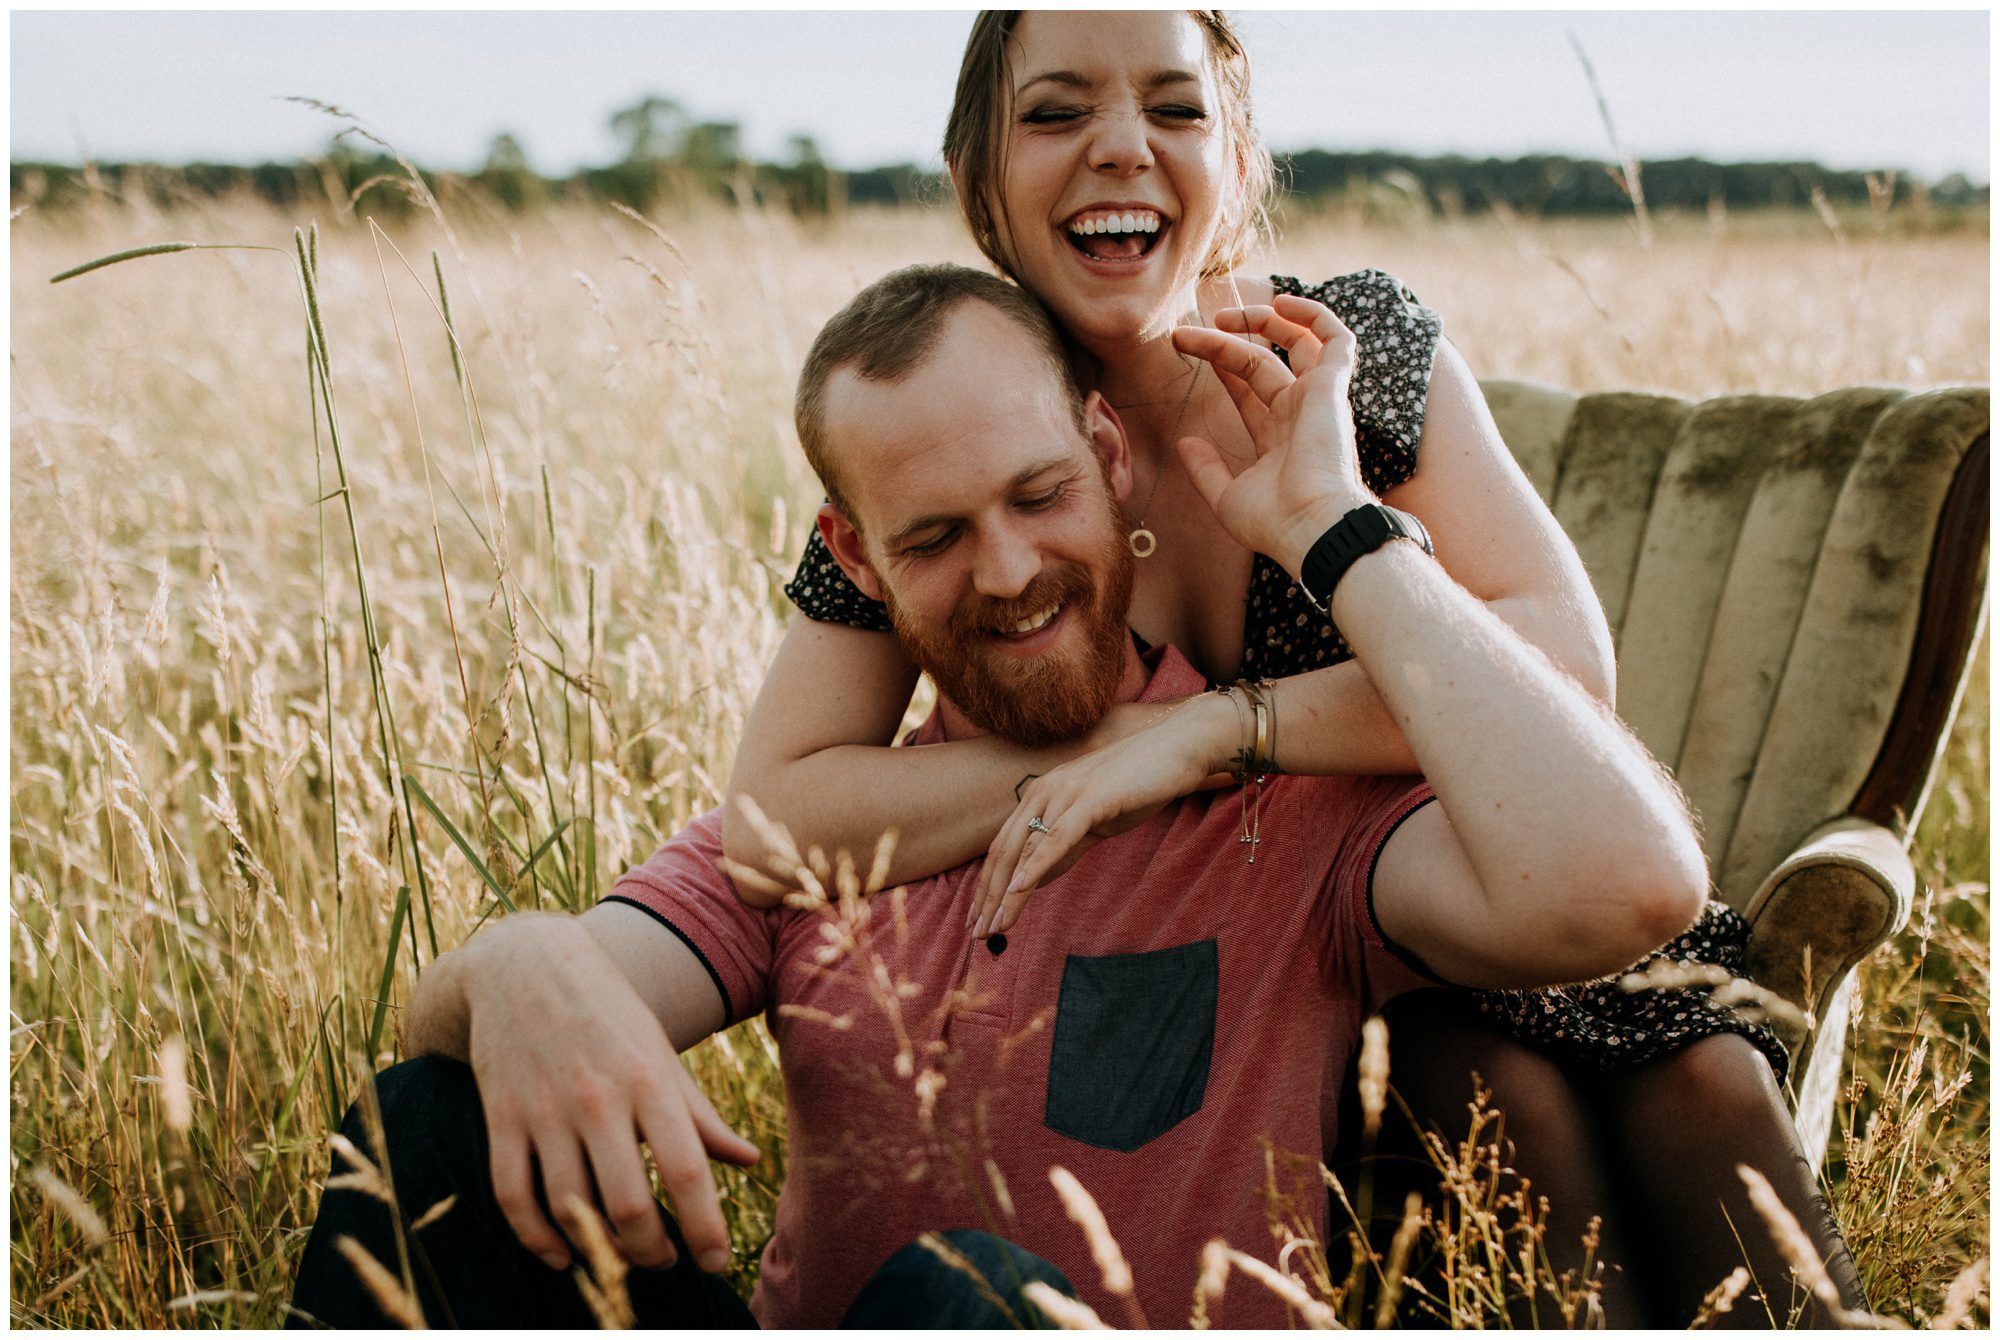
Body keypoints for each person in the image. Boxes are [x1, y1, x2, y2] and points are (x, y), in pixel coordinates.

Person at [290, 263, 1711, 1329]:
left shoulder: (1281, 805)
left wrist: (1335, 536)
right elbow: (499, 1014)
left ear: (1109, 459)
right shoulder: (833, 828)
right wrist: (520, 957)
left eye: (1039, 495)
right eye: (937, 535)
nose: (1011, 568)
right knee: (425, 1125)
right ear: (856, 555)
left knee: (962, 1299)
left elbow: (1630, 887)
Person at [721, 10, 1865, 1326]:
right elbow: (778, 809)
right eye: (1054, 113)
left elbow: (1560, 658)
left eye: (1174, 108)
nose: (1119, 150)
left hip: (1463, 879)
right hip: (1232, 994)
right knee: (1501, 1100)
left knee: (1706, 1084)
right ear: (979, 170)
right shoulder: (966, 407)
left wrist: (1220, 728)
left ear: (1240, 155)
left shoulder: (1342, 352)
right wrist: (1109, 753)